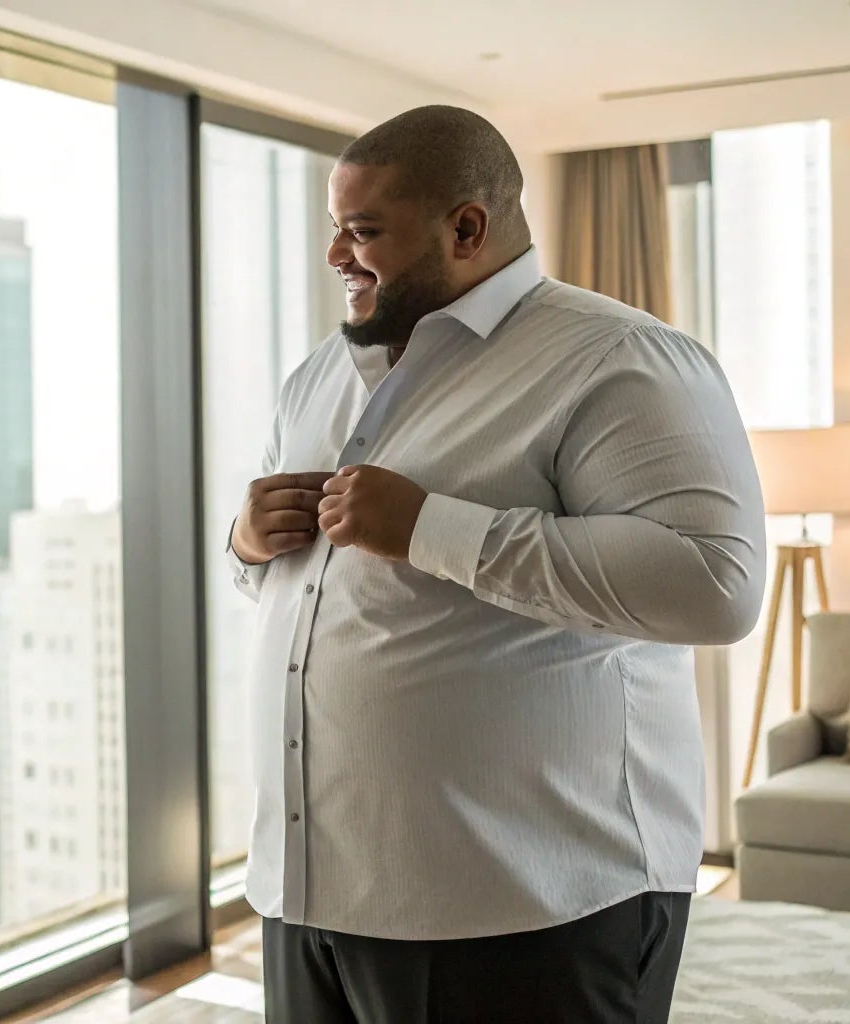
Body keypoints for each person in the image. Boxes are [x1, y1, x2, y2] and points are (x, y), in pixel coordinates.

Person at [227, 106, 765, 1023]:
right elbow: (306, 590)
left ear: (466, 229)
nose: (336, 258)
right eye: (333, 229)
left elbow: (714, 584)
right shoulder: (318, 376)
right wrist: (246, 543)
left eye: (362, 232)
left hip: (527, 905)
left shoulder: (618, 359)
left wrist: (431, 526)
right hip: (312, 891)